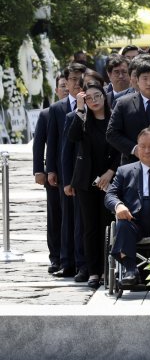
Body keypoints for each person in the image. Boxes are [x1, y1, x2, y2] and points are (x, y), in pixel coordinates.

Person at [105, 127, 150, 285]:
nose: (147, 150)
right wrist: (118, 205)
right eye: (142, 146)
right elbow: (110, 195)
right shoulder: (125, 171)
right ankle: (130, 270)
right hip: (134, 220)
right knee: (122, 225)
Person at [66, 82, 120, 288]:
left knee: (107, 225)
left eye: (97, 96)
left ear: (104, 96)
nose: (94, 101)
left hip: (109, 179)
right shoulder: (82, 119)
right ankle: (93, 271)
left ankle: (108, 270)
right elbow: (72, 137)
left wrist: (110, 171)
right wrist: (80, 109)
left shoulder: (115, 118)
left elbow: (120, 149)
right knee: (89, 227)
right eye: (89, 98)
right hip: (86, 181)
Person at [46, 63, 87, 279]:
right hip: (65, 169)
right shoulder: (57, 108)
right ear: (66, 81)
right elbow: (53, 142)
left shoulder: (95, 103)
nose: (77, 83)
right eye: (72, 79)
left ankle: (83, 262)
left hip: (86, 169)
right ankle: (66, 261)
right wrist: (50, 169)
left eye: (81, 78)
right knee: (66, 218)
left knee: (82, 220)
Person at [33, 106, 62, 274]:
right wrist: (39, 170)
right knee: (55, 217)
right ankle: (55, 257)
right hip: (53, 174)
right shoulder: (47, 114)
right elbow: (39, 143)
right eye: (63, 85)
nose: (67, 88)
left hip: (76, 172)